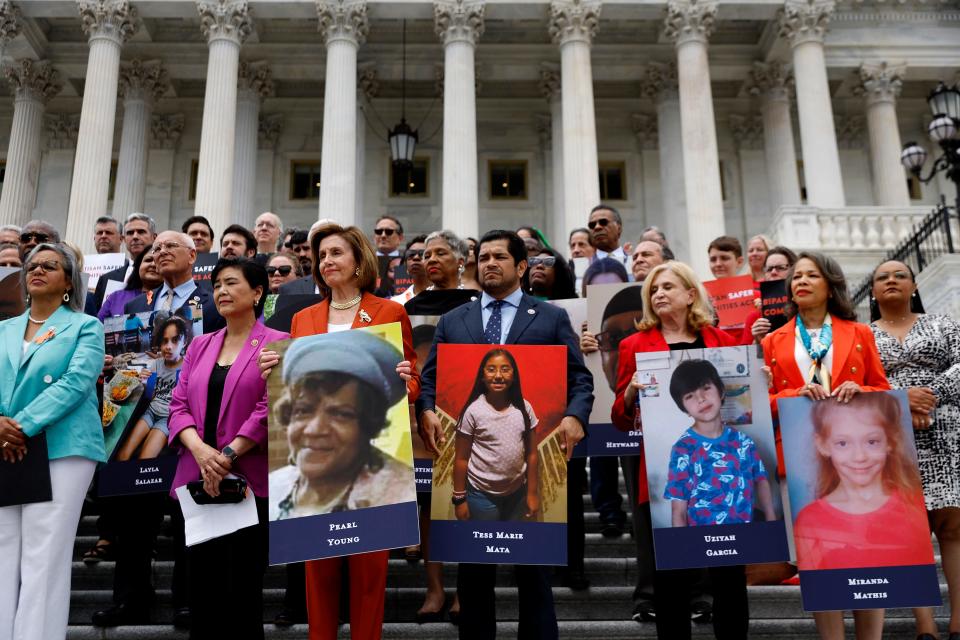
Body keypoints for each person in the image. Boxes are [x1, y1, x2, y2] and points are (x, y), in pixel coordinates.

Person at [417, 229, 593, 640]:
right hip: (473, 474)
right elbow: (430, 381)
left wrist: (575, 418)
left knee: (535, 579)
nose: (490, 264)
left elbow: (579, 379)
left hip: (531, 467)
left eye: (499, 257)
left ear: (521, 266)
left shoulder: (550, 317)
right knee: (474, 579)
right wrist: (426, 410)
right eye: (484, 258)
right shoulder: (453, 320)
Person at [258, 222, 419, 640]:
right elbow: (290, 387)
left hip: (371, 459)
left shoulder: (389, 312)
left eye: (336, 254)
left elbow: (412, 382)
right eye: (322, 255)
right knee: (319, 577)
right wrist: (269, 372)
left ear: (358, 260)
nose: (327, 261)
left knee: (369, 578)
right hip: (314, 462)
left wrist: (407, 379)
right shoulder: (305, 317)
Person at [761, 251, 890, 640]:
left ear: (830, 285)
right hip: (801, 458)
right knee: (819, 559)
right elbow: (761, 405)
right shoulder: (772, 340)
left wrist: (861, 388)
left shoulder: (861, 333)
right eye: (795, 277)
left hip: (856, 459)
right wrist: (791, 394)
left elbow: (884, 392)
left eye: (811, 275)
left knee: (865, 559)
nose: (800, 281)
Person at [612, 261, 741, 639]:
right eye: (653, 290)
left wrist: (755, 382)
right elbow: (620, 418)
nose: (659, 295)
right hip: (666, 479)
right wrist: (632, 391)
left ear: (690, 294)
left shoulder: (723, 342)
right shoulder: (633, 345)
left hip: (723, 475)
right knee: (670, 578)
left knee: (728, 577)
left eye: (668, 287)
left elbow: (742, 409)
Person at [167, 257, 286, 640]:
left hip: (250, 482)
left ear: (257, 293)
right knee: (202, 591)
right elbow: (177, 405)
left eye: (231, 283)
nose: (221, 290)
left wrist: (228, 455)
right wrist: (202, 452)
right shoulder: (200, 344)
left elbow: (272, 407)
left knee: (243, 592)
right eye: (216, 283)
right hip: (197, 479)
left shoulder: (277, 343)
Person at [0, 243, 106, 640]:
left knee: (44, 554)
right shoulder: (3, 329)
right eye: (32, 265)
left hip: (63, 446)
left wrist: (20, 425)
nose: (37, 269)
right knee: (3, 549)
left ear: (68, 282)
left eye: (50, 265)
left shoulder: (85, 326)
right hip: (4, 445)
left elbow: (76, 383)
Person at [868, 260, 960, 640]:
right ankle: (925, 626)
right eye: (882, 277)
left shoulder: (944, 324)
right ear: (872, 292)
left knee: (952, 525)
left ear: (914, 285)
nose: (891, 281)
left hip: (946, 429)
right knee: (909, 529)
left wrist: (930, 398)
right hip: (890, 433)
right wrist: (900, 402)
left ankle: (958, 622)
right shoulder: (861, 334)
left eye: (899, 275)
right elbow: (856, 380)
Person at [269, 330, 415, 518]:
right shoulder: (274, 486)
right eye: (303, 411)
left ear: (368, 425)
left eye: (340, 414)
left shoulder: (402, 497)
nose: (314, 430)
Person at [794, 392, 933, 571]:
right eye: (843, 443)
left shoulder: (913, 506)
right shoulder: (809, 521)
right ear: (823, 445)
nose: (859, 457)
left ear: (891, 441)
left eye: (872, 442)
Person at [664, 359, 776, 526]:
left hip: (746, 537)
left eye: (706, 388)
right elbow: (678, 511)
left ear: (721, 392)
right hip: (705, 544)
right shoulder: (683, 449)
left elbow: (761, 480)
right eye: (690, 396)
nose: (701, 398)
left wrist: (771, 518)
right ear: (684, 409)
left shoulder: (744, 442)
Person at [453, 348, 540, 523]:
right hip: (480, 495)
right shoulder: (473, 411)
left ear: (514, 375)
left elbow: (531, 454)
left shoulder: (525, 409)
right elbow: (461, 458)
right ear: (482, 376)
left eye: (505, 369)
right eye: (491, 369)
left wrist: (531, 493)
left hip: (517, 494)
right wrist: (459, 499)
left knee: (512, 544)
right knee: (485, 545)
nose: (498, 375)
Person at [115, 315, 192, 461]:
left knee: (145, 459)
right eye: (164, 341)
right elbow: (150, 394)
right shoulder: (156, 364)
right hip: (150, 412)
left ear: (184, 342)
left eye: (175, 340)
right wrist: (142, 381)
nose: (168, 346)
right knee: (122, 455)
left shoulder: (187, 368)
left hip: (168, 418)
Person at [89, 213, 157, 316]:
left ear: (154, 237)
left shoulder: (165, 274)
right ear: (124, 239)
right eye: (130, 233)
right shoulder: (106, 278)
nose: (135, 237)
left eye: (141, 232)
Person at [403, 230, 477, 316]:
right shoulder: (412, 306)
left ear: (460, 262)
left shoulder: (476, 303)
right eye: (427, 256)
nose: (432, 260)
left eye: (440, 253)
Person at [740, 246, 798, 346]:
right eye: (769, 269)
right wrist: (758, 340)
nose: (773, 272)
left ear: (794, 270)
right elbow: (747, 358)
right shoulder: (755, 318)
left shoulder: (805, 309)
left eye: (780, 268)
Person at [97, 248, 163, 322]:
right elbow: (98, 328)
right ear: (138, 266)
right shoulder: (116, 297)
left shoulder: (170, 298)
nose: (153, 264)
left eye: (159, 261)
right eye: (148, 260)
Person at [589, 205, 630, 272]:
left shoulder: (634, 263)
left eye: (603, 222)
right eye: (592, 225)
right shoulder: (584, 267)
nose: (597, 227)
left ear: (619, 228)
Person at [391, 235, 428, 305]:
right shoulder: (395, 302)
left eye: (422, 254)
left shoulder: (447, 299)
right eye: (411, 254)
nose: (416, 257)